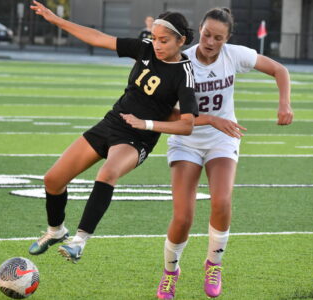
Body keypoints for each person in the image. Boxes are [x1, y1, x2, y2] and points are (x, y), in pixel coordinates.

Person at [28, 1, 198, 263]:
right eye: (154, 38)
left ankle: (79, 242)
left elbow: (187, 124)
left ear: (181, 40)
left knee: (107, 173)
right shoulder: (145, 49)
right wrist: (56, 20)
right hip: (111, 122)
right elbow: (98, 38)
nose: (157, 44)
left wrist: (148, 124)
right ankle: (56, 231)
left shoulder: (185, 74)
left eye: (164, 40)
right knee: (52, 180)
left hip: (137, 138)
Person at [156, 7, 294, 299]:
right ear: (200, 31)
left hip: (222, 139)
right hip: (186, 139)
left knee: (222, 199)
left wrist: (285, 104)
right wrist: (210, 119)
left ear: (227, 39)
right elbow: (168, 117)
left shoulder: (235, 55)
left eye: (218, 38)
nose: (210, 42)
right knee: (183, 218)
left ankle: (213, 264)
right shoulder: (182, 61)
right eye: (206, 34)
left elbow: (279, 70)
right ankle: (170, 273)